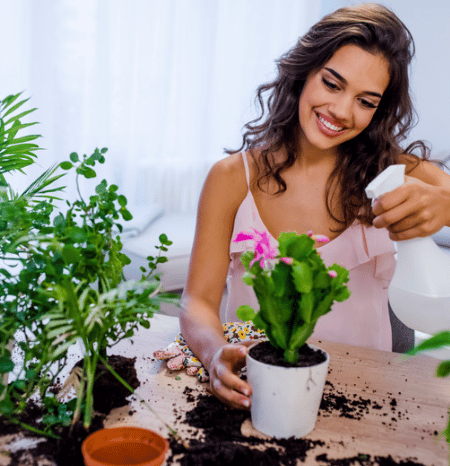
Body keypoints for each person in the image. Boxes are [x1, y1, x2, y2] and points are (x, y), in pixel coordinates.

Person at [179, 3, 450, 410]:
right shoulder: (232, 178)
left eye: (366, 101)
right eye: (332, 83)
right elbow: (197, 299)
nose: (341, 111)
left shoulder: (392, 169)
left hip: (366, 397)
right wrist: (214, 352)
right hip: (260, 393)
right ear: (304, 70)